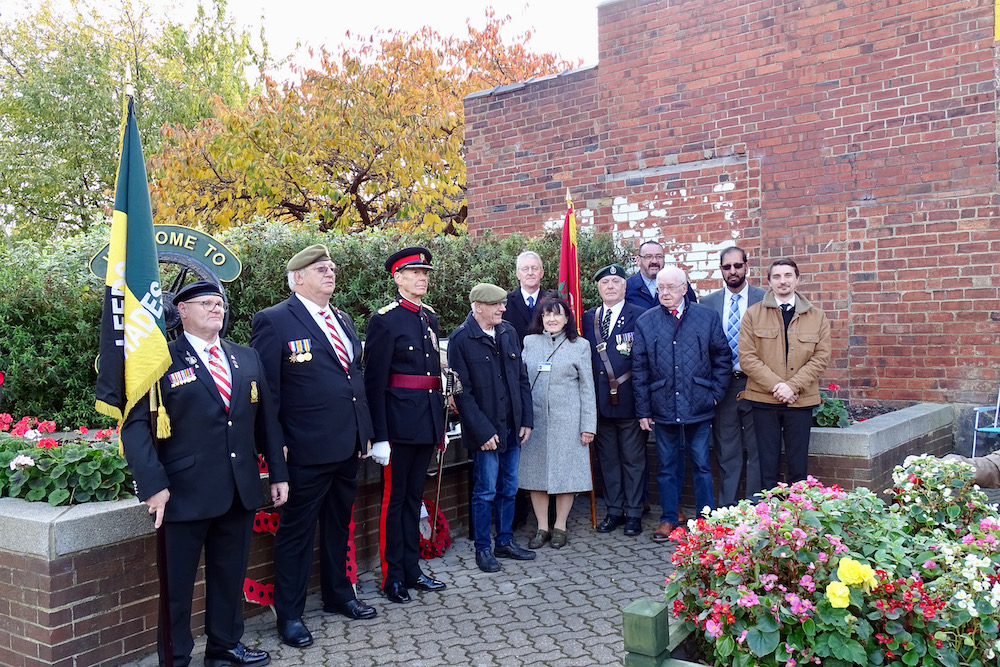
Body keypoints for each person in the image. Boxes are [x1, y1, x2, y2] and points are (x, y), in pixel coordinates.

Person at [121, 281, 289, 667]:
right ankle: (177, 657)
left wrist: (277, 474)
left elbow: (267, 421)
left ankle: (224, 646)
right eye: (206, 303)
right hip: (183, 493)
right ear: (181, 311)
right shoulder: (160, 359)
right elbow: (134, 427)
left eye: (220, 303)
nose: (217, 309)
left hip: (238, 489)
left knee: (229, 575)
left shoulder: (245, 357)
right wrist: (153, 486)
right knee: (178, 586)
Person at [250, 244, 377, 650]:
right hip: (304, 450)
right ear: (297, 277)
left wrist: (365, 431)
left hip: (347, 446)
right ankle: (290, 614)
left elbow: (354, 379)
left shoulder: (341, 318)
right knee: (297, 536)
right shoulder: (273, 321)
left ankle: (340, 595)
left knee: (340, 526)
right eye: (321, 269)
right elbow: (268, 395)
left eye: (333, 268)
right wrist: (275, 452)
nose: (330, 273)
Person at [362, 246, 447, 604]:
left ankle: (412, 569)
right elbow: (375, 381)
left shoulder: (429, 318)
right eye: (414, 273)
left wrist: (439, 427)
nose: (422, 278)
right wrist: (379, 436)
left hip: (425, 420)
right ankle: (392, 576)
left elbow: (435, 378)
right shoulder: (385, 320)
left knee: (414, 499)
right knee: (394, 502)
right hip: (397, 427)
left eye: (425, 273)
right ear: (397, 278)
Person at [633, 266, 731, 544]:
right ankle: (669, 518)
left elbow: (722, 357)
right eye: (660, 288)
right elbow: (639, 369)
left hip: (699, 403)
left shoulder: (706, 317)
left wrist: (714, 393)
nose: (665, 293)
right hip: (663, 405)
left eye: (671, 287)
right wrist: (643, 411)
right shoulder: (646, 321)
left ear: (684, 288)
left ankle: (705, 519)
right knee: (666, 466)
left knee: (701, 463)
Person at [448, 283, 536, 572]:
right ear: (478, 307)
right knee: (485, 491)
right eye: (496, 304)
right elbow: (463, 394)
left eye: (503, 304)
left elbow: (521, 379)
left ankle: (505, 541)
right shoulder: (461, 339)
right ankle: (483, 549)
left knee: (509, 489)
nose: (503, 308)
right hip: (486, 432)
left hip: (512, 427)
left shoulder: (508, 332)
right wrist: (483, 432)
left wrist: (526, 420)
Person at [738, 258, 831, 491]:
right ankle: (770, 519)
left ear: (797, 279)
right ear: (769, 281)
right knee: (767, 466)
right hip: (764, 400)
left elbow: (821, 357)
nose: (783, 281)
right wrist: (778, 386)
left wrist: (793, 386)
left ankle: (796, 517)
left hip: (800, 400)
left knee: (798, 466)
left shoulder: (817, 316)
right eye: (777, 276)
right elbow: (747, 357)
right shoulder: (753, 314)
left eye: (788, 275)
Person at [518, 297, 597, 549]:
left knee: (567, 474)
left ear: (567, 318)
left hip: (569, 422)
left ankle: (560, 526)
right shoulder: (529, 342)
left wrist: (588, 426)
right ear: (540, 319)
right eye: (546, 315)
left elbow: (588, 388)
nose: (551, 319)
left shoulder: (580, 345)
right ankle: (542, 527)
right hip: (535, 422)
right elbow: (520, 380)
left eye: (557, 315)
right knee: (535, 474)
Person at [581, 265, 649, 537]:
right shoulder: (588, 318)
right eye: (605, 282)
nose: (610, 286)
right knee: (608, 460)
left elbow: (644, 362)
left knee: (633, 460)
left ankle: (633, 513)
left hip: (630, 400)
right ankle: (614, 511)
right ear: (598, 287)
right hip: (599, 402)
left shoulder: (640, 316)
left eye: (616, 282)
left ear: (624, 287)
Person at [700, 247, 766, 506]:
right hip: (723, 384)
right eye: (727, 267)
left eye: (738, 266)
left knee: (757, 448)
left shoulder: (764, 298)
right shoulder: (707, 303)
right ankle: (727, 508)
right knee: (726, 450)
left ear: (747, 266)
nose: (733, 271)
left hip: (757, 383)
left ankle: (755, 506)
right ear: (721, 270)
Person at [625, 240, 697, 310]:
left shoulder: (679, 284)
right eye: (648, 256)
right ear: (638, 260)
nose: (654, 261)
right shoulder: (627, 287)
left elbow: (693, 312)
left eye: (659, 256)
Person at [503, 250, 557, 343]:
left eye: (534, 268)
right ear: (518, 274)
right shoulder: (505, 303)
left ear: (541, 273)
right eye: (525, 269)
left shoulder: (554, 300)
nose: (530, 272)